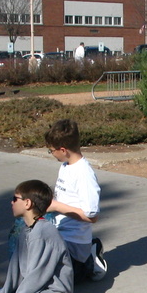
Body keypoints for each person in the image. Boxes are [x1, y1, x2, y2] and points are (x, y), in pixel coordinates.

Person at [44, 119, 102, 282]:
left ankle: (90, 260)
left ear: (63, 150)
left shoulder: (84, 174)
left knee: (52, 280)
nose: (52, 154)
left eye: (52, 151)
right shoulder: (65, 166)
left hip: (74, 242)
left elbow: (92, 216)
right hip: (60, 236)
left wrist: (56, 206)